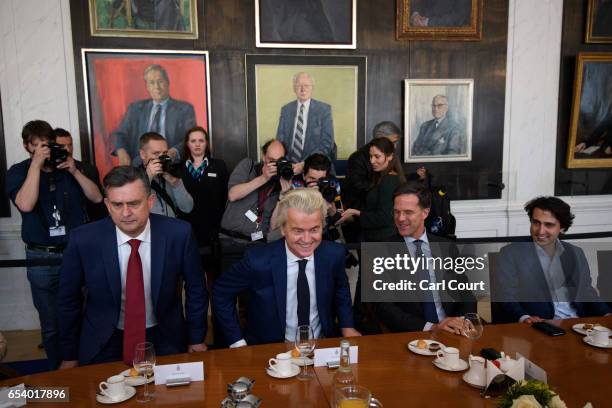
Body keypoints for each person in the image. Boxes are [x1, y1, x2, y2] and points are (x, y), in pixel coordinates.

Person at [58, 166, 208, 368]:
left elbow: (196, 288)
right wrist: (69, 354)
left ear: (150, 201)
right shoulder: (84, 239)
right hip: (103, 339)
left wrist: (196, 338)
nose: (126, 212)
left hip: (165, 337)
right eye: (117, 204)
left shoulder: (178, 234)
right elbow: (68, 299)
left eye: (134, 203)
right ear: (107, 205)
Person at [5, 120, 103, 370]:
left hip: (74, 254)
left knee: (82, 315)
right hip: (41, 258)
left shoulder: (70, 168)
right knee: (51, 323)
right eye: (36, 146)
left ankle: (84, 367)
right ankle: (56, 373)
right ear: (28, 146)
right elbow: (25, 205)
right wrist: (36, 167)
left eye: (45, 145)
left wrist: (74, 171)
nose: (42, 150)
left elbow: (97, 198)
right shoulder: (18, 171)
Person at [213, 188, 360, 346]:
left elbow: (341, 289)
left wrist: (347, 325)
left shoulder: (334, 255)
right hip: (269, 351)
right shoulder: (257, 261)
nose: (306, 239)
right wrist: (237, 341)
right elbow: (221, 292)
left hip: (320, 346)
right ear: (283, 229)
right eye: (298, 230)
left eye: (314, 230)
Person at [373, 182, 476, 334]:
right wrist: (431, 327)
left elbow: (466, 294)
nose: (400, 218)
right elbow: (383, 307)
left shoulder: (446, 246)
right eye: (396, 212)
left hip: (452, 331)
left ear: (425, 213)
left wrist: (462, 321)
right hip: (412, 333)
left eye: (408, 212)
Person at [496, 197, 611, 323]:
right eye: (536, 223)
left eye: (548, 225)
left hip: (577, 324)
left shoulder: (576, 253)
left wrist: (606, 314)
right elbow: (505, 296)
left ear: (562, 227)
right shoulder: (511, 253)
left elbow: (586, 292)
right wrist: (524, 317)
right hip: (539, 325)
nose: (540, 231)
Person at [112, 64, 196, 165]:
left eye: (160, 81)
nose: (157, 87)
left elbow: (190, 138)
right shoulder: (135, 108)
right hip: (139, 164)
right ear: (147, 87)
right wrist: (121, 152)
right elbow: (119, 134)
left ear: (167, 83)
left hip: (170, 163)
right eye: (152, 82)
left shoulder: (184, 109)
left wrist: (173, 152)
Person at [220, 140, 287, 246]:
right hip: (228, 239)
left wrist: (283, 195)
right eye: (271, 160)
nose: (274, 166)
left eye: (278, 162)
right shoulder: (248, 166)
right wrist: (264, 178)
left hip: (256, 243)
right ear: (263, 156)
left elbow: (273, 228)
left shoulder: (281, 184)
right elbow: (233, 195)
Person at [337, 138, 406, 242]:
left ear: (390, 156)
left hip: (383, 240)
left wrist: (356, 212)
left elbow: (384, 217)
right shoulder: (381, 177)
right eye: (370, 156)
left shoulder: (389, 180)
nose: (372, 161)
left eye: (377, 157)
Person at [179, 126, 228, 246]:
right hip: (186, 228)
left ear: (206, 143)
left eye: (201, 141)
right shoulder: (177, 169)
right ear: (187, 144)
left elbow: (225, 196)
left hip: (213, 228)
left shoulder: (219, 165)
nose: (197, 144)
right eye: (193, 141)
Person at [276, 72, 335, 172]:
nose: (303, 89)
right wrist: (286, 164)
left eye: (306, 85)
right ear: (294, 88)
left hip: (315, 167)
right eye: (299, 85)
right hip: (289, 167)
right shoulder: (286, 110)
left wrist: (304, 164)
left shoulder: (324, 110)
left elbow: (327, 143)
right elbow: (279, 140)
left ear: (312, 88)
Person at [343, 121, 401, 213]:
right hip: (360, 211)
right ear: (379, 138)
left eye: (396, 142)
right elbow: (358, 185)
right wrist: (383, 188)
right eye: (392, 142)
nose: (394, 146)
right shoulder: (357, 158)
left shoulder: (390, 154)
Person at [54, 128, 107, 221]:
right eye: (62, 146)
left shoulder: (88, 168)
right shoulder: (48, 170)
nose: (68, 149)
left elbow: (98, 199)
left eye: (70, 145)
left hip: (86, 223)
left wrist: (75, 172)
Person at [139, 132, 194, 217]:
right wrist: (148, 177)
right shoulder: (132, 177)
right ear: (143, 154)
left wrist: (175, 182)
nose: (162, 158)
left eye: (164, 153)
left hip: (171, 226)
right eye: (156, 153)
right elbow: (134, 206)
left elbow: (187, 208)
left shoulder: (171, 173)